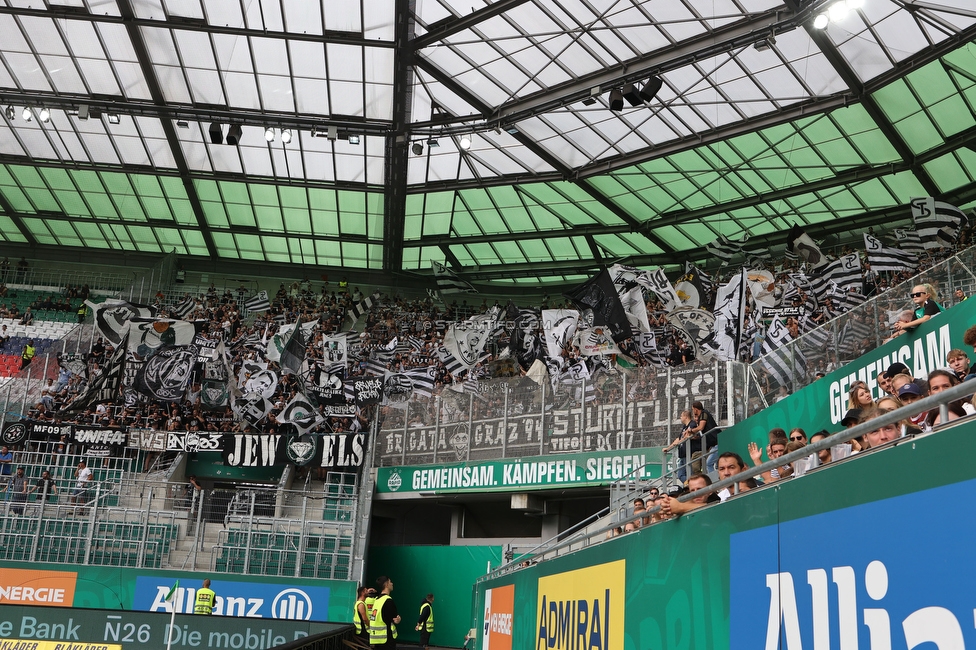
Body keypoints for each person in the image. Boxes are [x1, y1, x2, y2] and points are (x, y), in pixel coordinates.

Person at [369, 576, 401, 648]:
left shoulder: (377, 600)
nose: (392, 584)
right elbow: (394, 619)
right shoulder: (388, 601)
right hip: (387, 639)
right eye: (390, 582)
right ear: (386, 584)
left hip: (377, 640)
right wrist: (398, 619)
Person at [690, 401, 720, 473]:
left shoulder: (704, 413)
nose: (693, 411)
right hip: (713, 445)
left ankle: (714, 482)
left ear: (696, 409)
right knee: (715, 464)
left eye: (692, 409)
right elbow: (702, 432)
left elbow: (701, 427)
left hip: (717, 443)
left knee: (709, 463)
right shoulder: (702, 416)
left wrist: (691, 431)